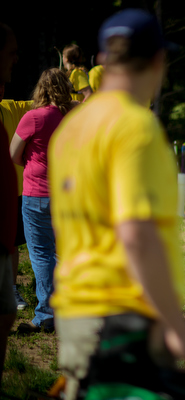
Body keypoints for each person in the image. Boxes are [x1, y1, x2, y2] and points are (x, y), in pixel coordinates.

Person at [48, 9, 185, 399]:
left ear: (103, 60)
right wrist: (175, 325)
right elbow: (136, 235)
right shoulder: (136, 127)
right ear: (158, 60)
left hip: (74, 313)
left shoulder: (71, 128)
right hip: (123, 322)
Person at [9, 68, 75, 334]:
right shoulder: (74, 116)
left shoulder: (32, 117)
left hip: (36, 193)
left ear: (41, 89)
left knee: (41, 254)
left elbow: (13, 154)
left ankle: (47, 314)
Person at [0, 23, 30, 313]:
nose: (16, 59)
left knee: (11, 244)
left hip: (14, 198)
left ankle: (10, 287)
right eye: (11, 53)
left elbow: (45, 105)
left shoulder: (10, 107)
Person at [0, 21, 18, 388]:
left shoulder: (26, 113)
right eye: (11, 52)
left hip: (22, 200)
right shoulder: (23, 110)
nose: (16, 60)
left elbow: (14, 154)